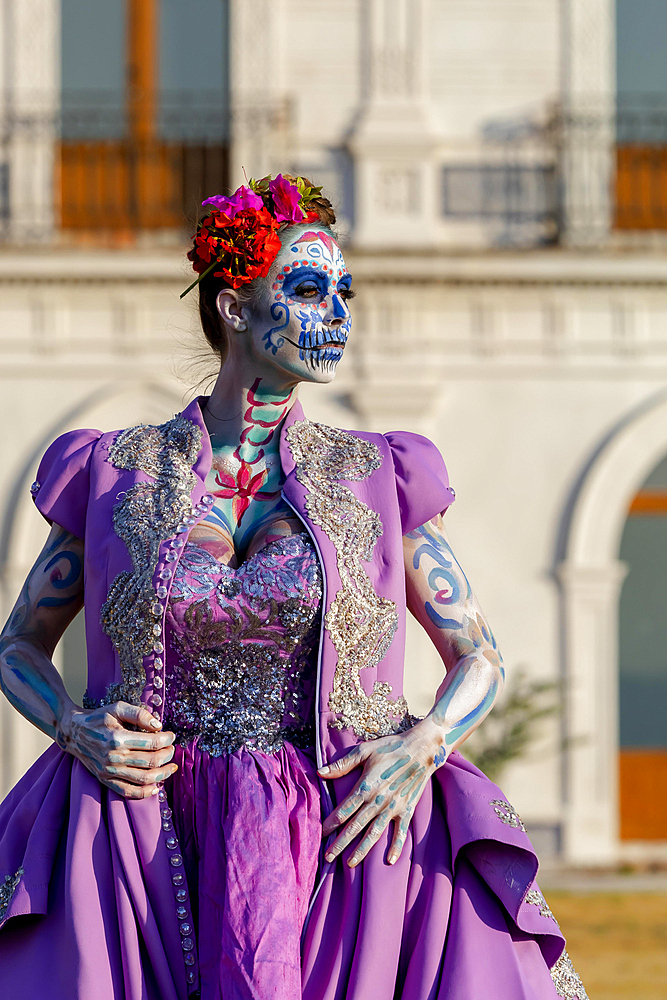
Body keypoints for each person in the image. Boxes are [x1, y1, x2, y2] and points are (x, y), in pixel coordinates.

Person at [0, 175, 586, 1000]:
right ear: (236, 308)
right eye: (309, 290)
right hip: (141, 826)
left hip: (342, 829)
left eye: (345, 291)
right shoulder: (113, 472)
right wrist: (71, 726)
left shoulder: (381, 475)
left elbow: (478, 655)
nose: (337, 313)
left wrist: (421, 750)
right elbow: (19, 644)